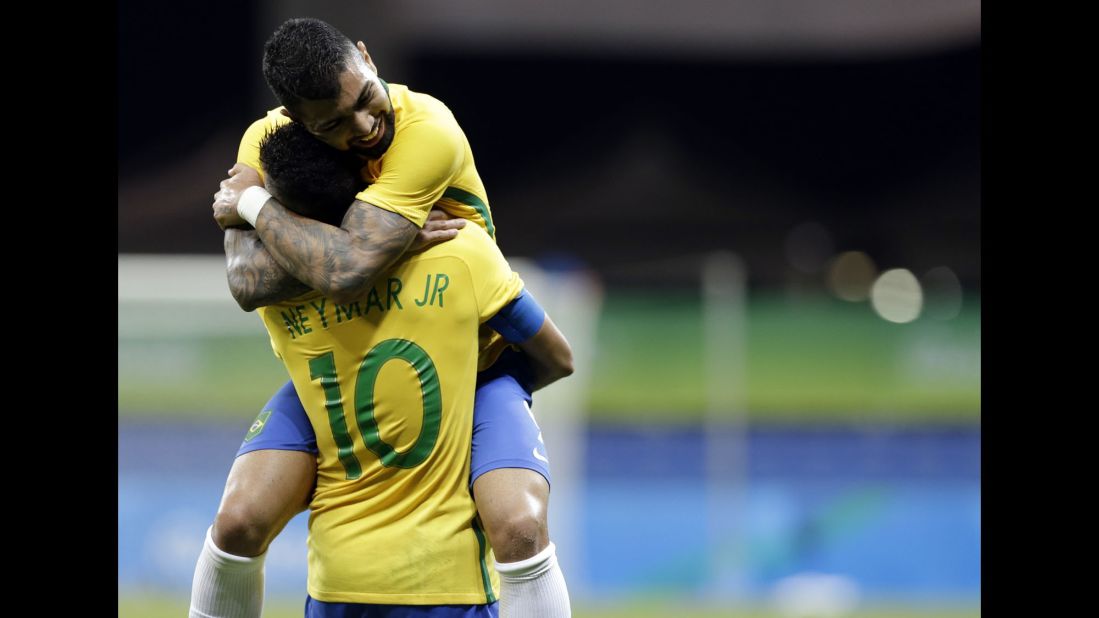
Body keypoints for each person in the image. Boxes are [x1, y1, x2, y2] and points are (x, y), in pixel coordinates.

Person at [190, 17, 571, 618]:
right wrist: (389, 241)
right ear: (295, 121)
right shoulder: (265, 145)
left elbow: (345, 269)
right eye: (334, 125)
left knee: (519, 529)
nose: (366, 127)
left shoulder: (427, 130)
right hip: (343, 364)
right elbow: (246, 281)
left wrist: (257, 206)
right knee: (238, 522)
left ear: (367, 58)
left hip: (472, 367)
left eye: (365, 98)